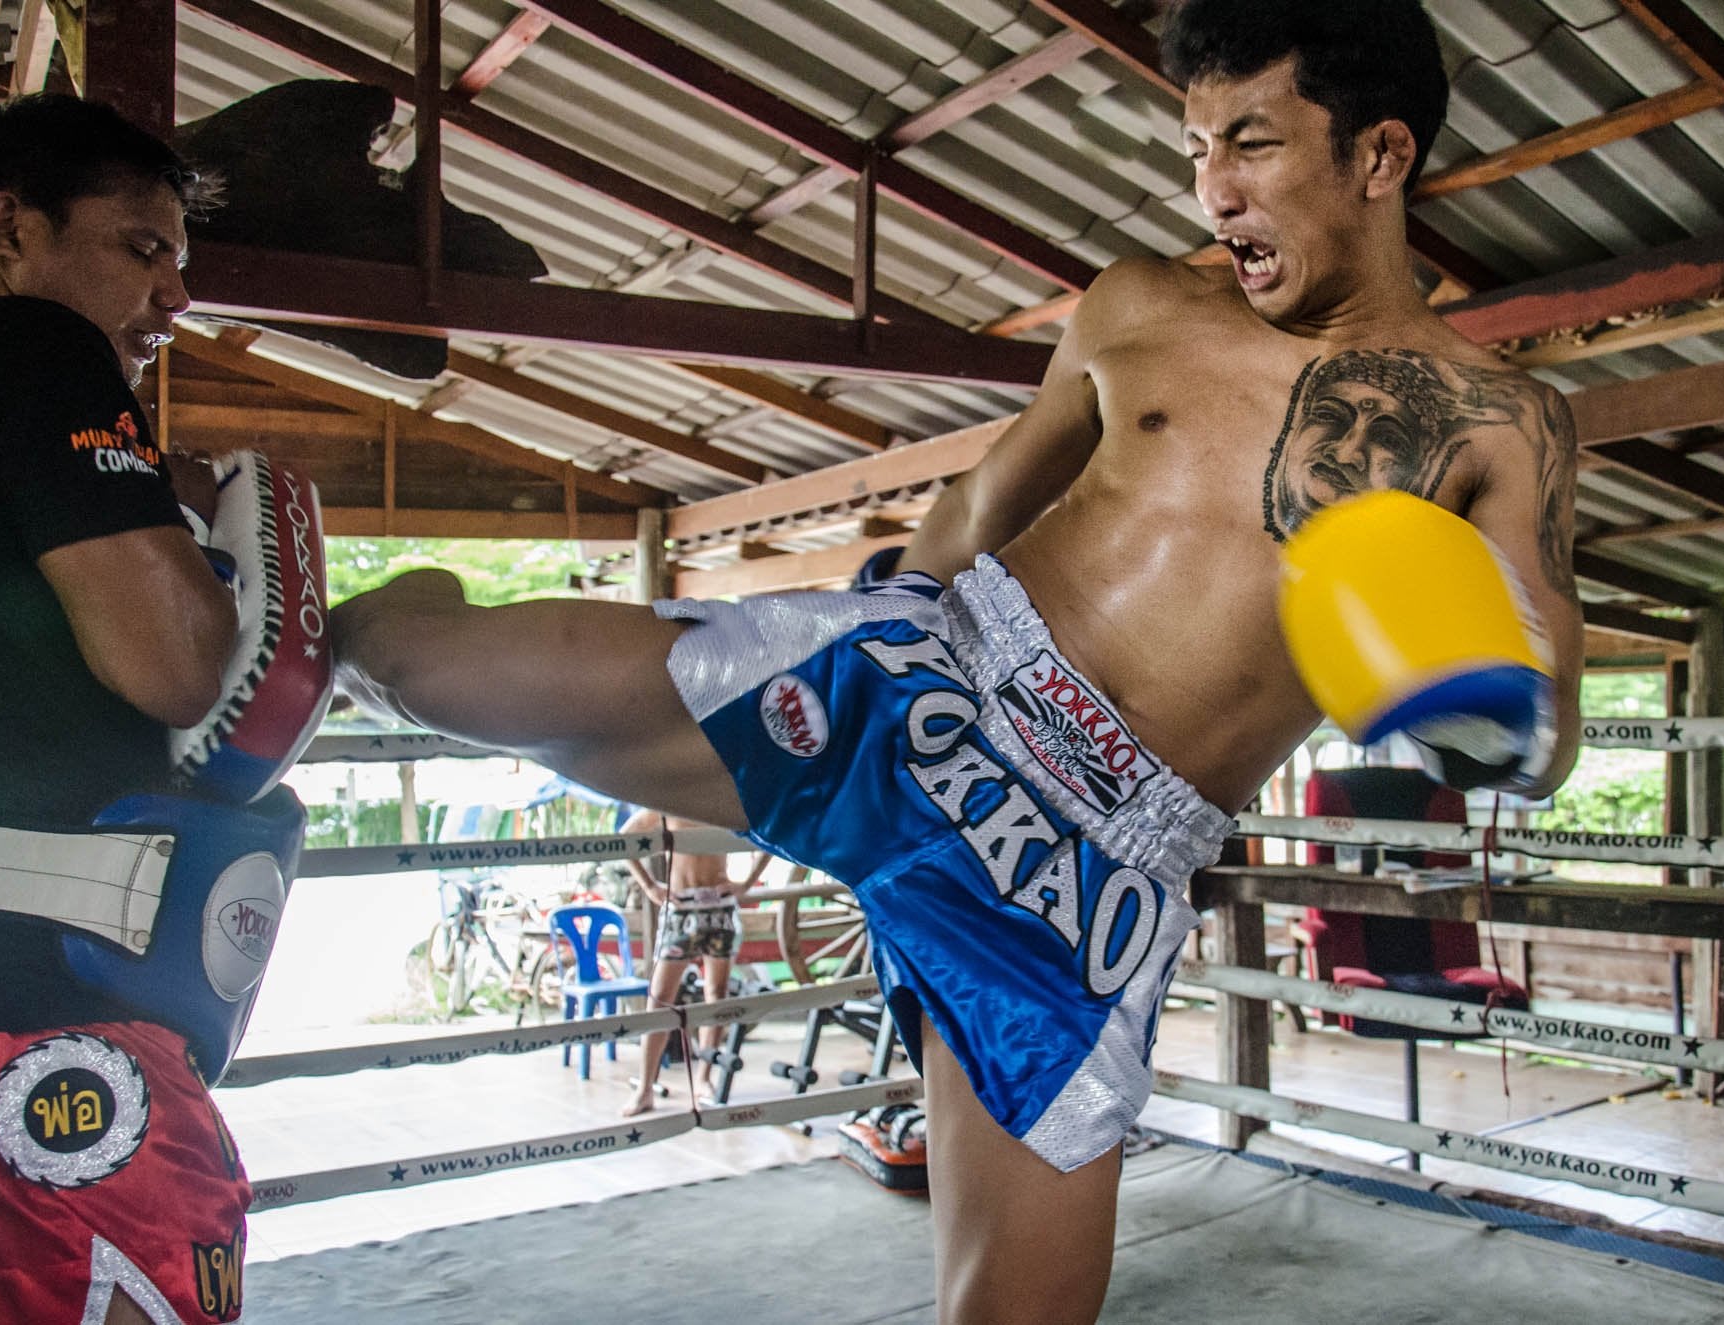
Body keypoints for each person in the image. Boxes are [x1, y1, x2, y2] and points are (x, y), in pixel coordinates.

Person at [331, 3, 1582, 1320]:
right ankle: (273, 622)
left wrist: (1470, 691)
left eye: (1252, 145)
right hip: (931, 684)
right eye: (1197, 147)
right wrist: (870, 641)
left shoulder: (1503, 423)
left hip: (1085, 881)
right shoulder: (1141, 304)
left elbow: (1541, 733)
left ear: (1380, 156)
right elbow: (982, 506)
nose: (1214, 189)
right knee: (436, 670)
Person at [0, 95, 324, 1324]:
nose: (174, 295)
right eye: (143, 247)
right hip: (37, 1040)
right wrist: (209, 558)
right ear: (9, 227)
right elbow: (177, 665)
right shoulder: (28, 348)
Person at [616, 808, 764, 1114]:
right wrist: (648, 886)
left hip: (720, 906)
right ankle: (645, 1088)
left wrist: (747, 882)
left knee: (716, 995)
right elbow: (624, 837)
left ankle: (704, 1078)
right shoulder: (668, 802)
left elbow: (771, 831)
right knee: (659, 1000)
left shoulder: (725, 801)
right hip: (681, 908)